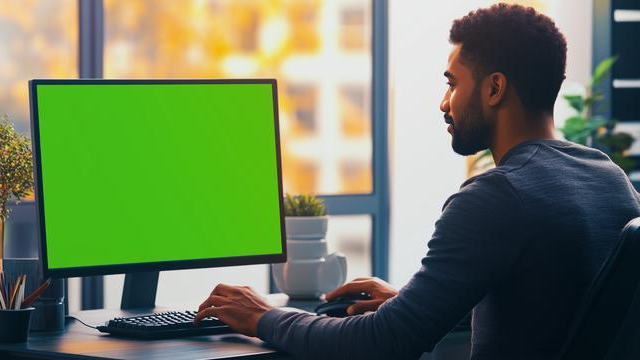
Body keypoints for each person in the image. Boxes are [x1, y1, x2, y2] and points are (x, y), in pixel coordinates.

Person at [194, 4, 640, 359]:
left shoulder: (497, 196)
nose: (443, 103)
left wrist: (264, 317)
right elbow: (557, 310)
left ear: (494, 89)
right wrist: (415, 302)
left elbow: (381, 344)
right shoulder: (611, 178)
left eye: (452, 83)